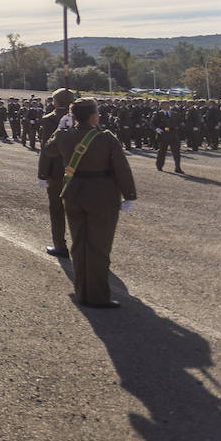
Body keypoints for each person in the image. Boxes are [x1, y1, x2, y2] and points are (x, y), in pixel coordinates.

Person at [54, 99, 137, 308]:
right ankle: (98, 296)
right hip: (101, 196)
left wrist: (60, 128)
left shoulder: (64, 135)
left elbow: (48, 150)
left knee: (79, 246)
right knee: (98, 248)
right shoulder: (105, 138)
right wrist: (129, 195)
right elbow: (121, 168)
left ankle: (82, 292)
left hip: (73, 193)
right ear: (93, 116)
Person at [36, 88, 77, 257]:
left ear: (56, 102)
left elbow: (47, 150)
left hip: (57, 171)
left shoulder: (49, 119)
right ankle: (81, 246)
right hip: (78, 170)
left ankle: (60, 245)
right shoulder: (81, 118)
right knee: (77, 211)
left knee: (57, 209)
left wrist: (42, 174)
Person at [152, 101, 183, 173]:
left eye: (168, 104)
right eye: (165, 105)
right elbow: (152, 124)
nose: (167, 106)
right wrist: (157, 129)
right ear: (161, 106)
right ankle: (159, 166)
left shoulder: (174, 114)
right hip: (163, 135)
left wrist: (178, 128)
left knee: (176, 152)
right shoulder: (158, 114)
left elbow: (179, 122)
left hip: (173, 134)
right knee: (162, 152)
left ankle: (178, 167)